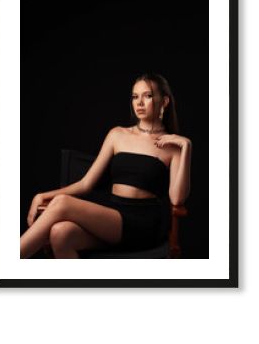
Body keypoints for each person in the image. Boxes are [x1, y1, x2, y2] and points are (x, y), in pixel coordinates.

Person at [20, 73, 192, 258]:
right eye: (135, 97)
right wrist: (42, 196)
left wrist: (186, 147)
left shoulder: (173, 146)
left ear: (164, 102)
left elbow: (177, 199)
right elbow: (86, 183)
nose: (139, 103)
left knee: (62, 203)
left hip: (143, 223)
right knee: (60, 234)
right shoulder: (117, 134)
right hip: (112, 216)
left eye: (147, 96)